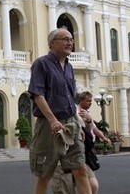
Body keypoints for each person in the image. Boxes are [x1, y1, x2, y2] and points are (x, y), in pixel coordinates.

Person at [27, 28, 91, 194]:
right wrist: (53, 120)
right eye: (65, 39)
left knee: (80, 169)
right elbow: (37, 95)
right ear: (52, 43)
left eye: (71, 39)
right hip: (49, 126)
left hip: (71, 124)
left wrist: (77, 122)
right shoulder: (41, 64)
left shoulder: (69, 67)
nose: (70, 42)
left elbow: (70, 98)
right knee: (45, 174)